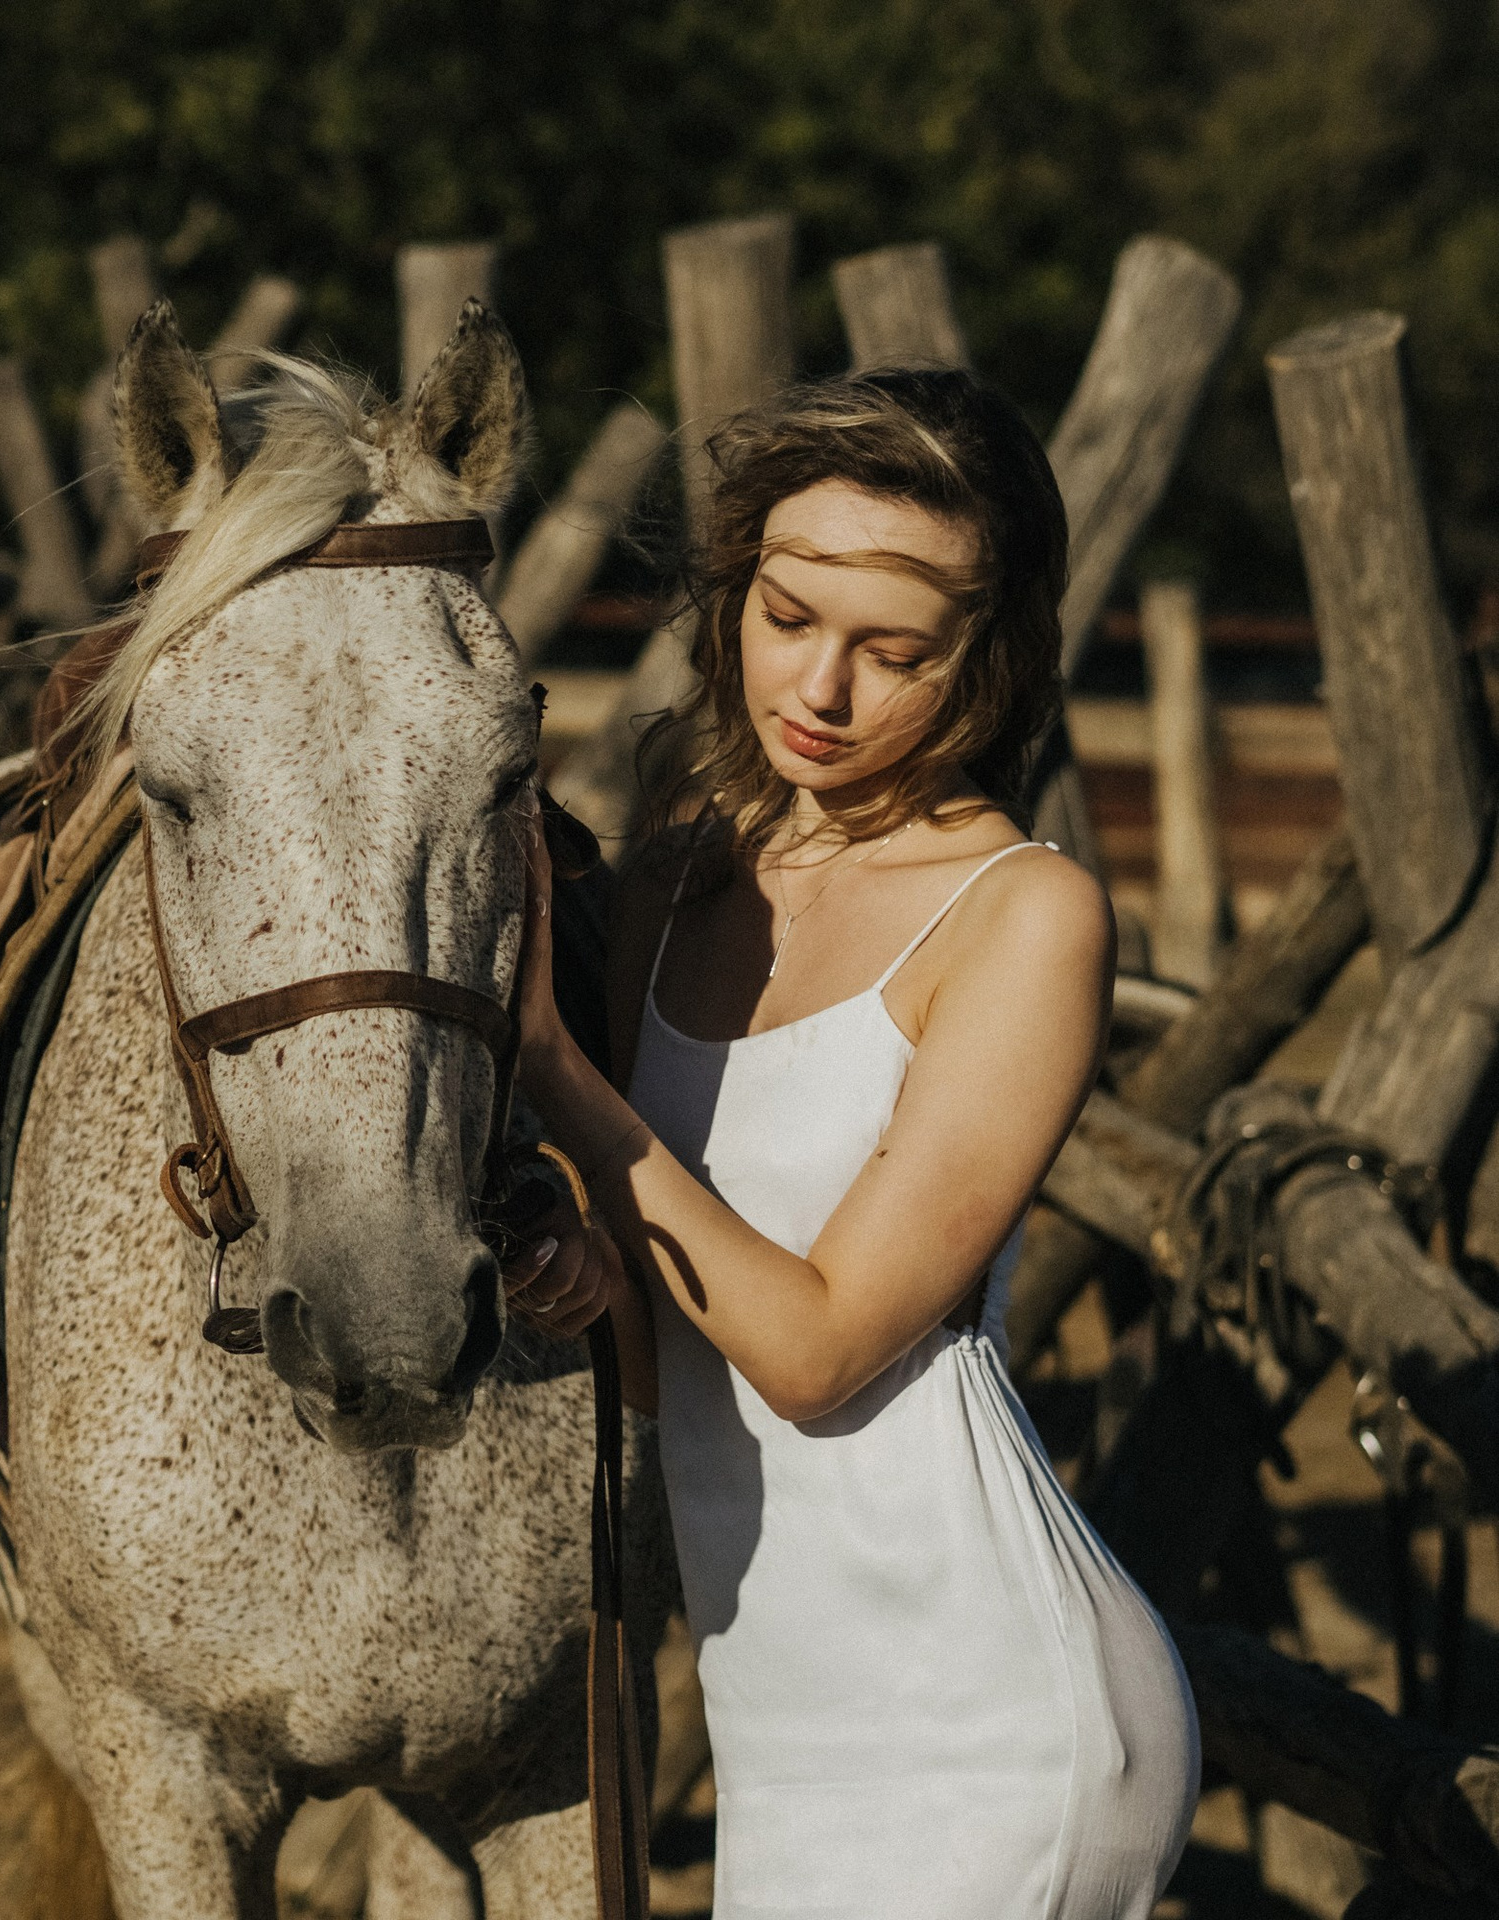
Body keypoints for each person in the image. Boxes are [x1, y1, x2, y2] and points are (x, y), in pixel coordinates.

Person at [507, 368, 1198, 1918]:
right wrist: (588, 1278)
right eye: (787, 616)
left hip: (989, 1722)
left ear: (988, 663)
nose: (819, 688)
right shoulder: (677, 884)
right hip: (779, 1732)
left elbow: (816, 1356)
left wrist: (557, 1070)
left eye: (894, 654)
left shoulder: (1023, 916)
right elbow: (674, 1344)